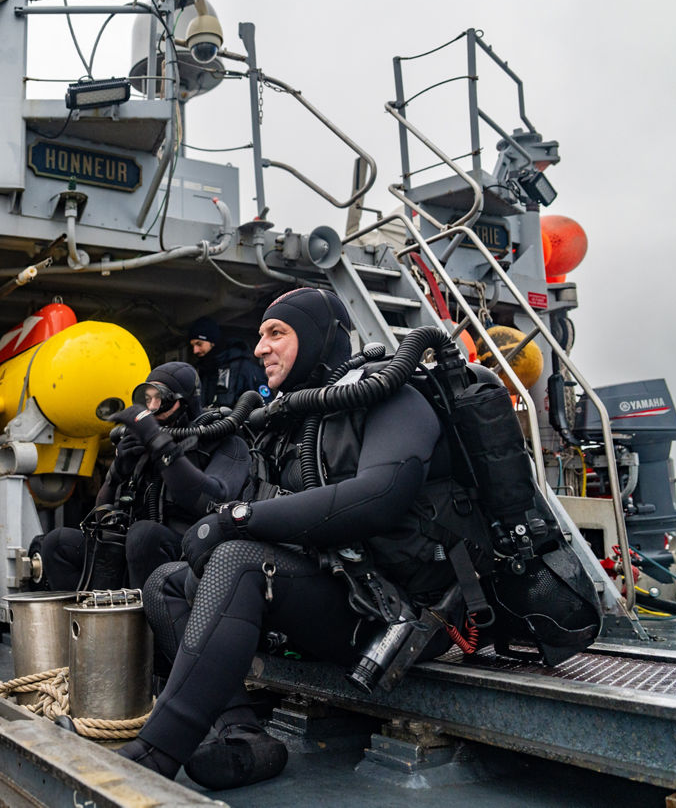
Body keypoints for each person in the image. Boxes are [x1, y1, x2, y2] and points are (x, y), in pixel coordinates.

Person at [116, 287, 451, 789]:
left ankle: (153, 755)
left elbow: (380, 495)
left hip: (407, 619)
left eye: (277, 334)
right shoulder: (291, 424)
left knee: (238, 560)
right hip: (343, 596)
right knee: (166, 581)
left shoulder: (394, 398)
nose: (259, 348)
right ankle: (242, 733)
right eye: (259, 336)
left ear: (318, 339)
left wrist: (239, 519)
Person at [34, 362, 252, 592]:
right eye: (147, 400)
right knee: (56, 543)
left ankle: (151, 623)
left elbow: (210, 500)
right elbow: (102, 512)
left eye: (162, 400)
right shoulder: (140, 444)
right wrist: (116, 473)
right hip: (133, 549)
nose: (153, 407)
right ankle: (88, 621)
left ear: (186, 402)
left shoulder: (226, 442)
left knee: (144, 535)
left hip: (189, 551)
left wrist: (160, 445)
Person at [188, 317, 268, 410]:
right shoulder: (202, 371)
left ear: (212, 342)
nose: (195, 350)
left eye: (199, 344)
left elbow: (264, 408)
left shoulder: (244, 368)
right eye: (193, 345)